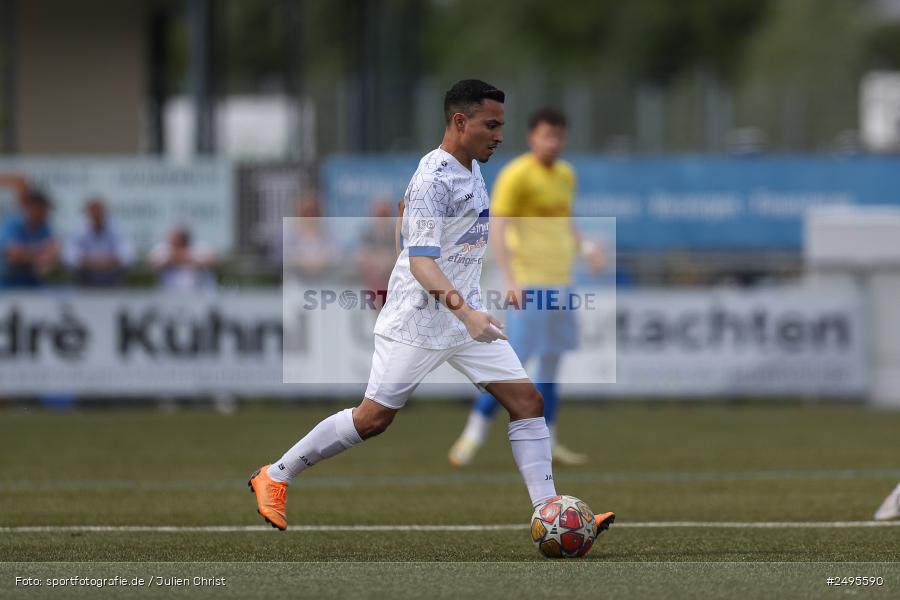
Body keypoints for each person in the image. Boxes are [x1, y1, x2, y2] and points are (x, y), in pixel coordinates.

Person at [249, 79, 615, 535]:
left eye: (501, 126)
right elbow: (422, 262)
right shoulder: (433, 178)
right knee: (373, 418)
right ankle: (275, 475)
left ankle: (551, 512)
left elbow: (412, 220)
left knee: (527, 400)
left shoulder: (470, 166)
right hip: (418, 322)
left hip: (462, 317)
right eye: (491, 125)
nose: (500, 136)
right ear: (460, 122)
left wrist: (460, 304)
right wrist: (463, 310)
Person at [448, 107, 604, 468]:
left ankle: (551, 442)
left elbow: (566, 219)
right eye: (547, 135)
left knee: (551, 363)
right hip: (529, 283)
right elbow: (498, 226)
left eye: (558, 136)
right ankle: (473, 434)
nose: (553, 143)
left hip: (562, 282)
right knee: (512, 363)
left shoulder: (565, 174)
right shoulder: (517, 174)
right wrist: (511, 279)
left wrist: (585, 248)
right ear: (533, 136)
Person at [64, 197, 133, 286]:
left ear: (105, 213)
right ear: (88, 214)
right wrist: (90, 261)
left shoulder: (116, 228)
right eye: (93, 213)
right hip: (86, 276)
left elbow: (128, 255)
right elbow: (69, 256)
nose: (97, 216)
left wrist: (107, 261)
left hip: (111, 276)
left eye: (99, 213)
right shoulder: (79, 230)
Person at [0, 189, 59, 288]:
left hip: (32, 282)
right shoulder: (13, 223)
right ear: (30, 208)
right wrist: (39, 252)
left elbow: (52, 252)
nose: (45, 214)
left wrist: (32, 254)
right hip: (8, 282)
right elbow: (13, 253)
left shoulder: (44, 227)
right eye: (42, 210)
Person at [148, 226, 218, 292]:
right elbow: (151, 266)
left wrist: (189, 259)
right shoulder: (162, 249)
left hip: (200, 291)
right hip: (170, 292)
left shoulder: (199, 247)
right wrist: (169, 261)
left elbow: (215, 262)